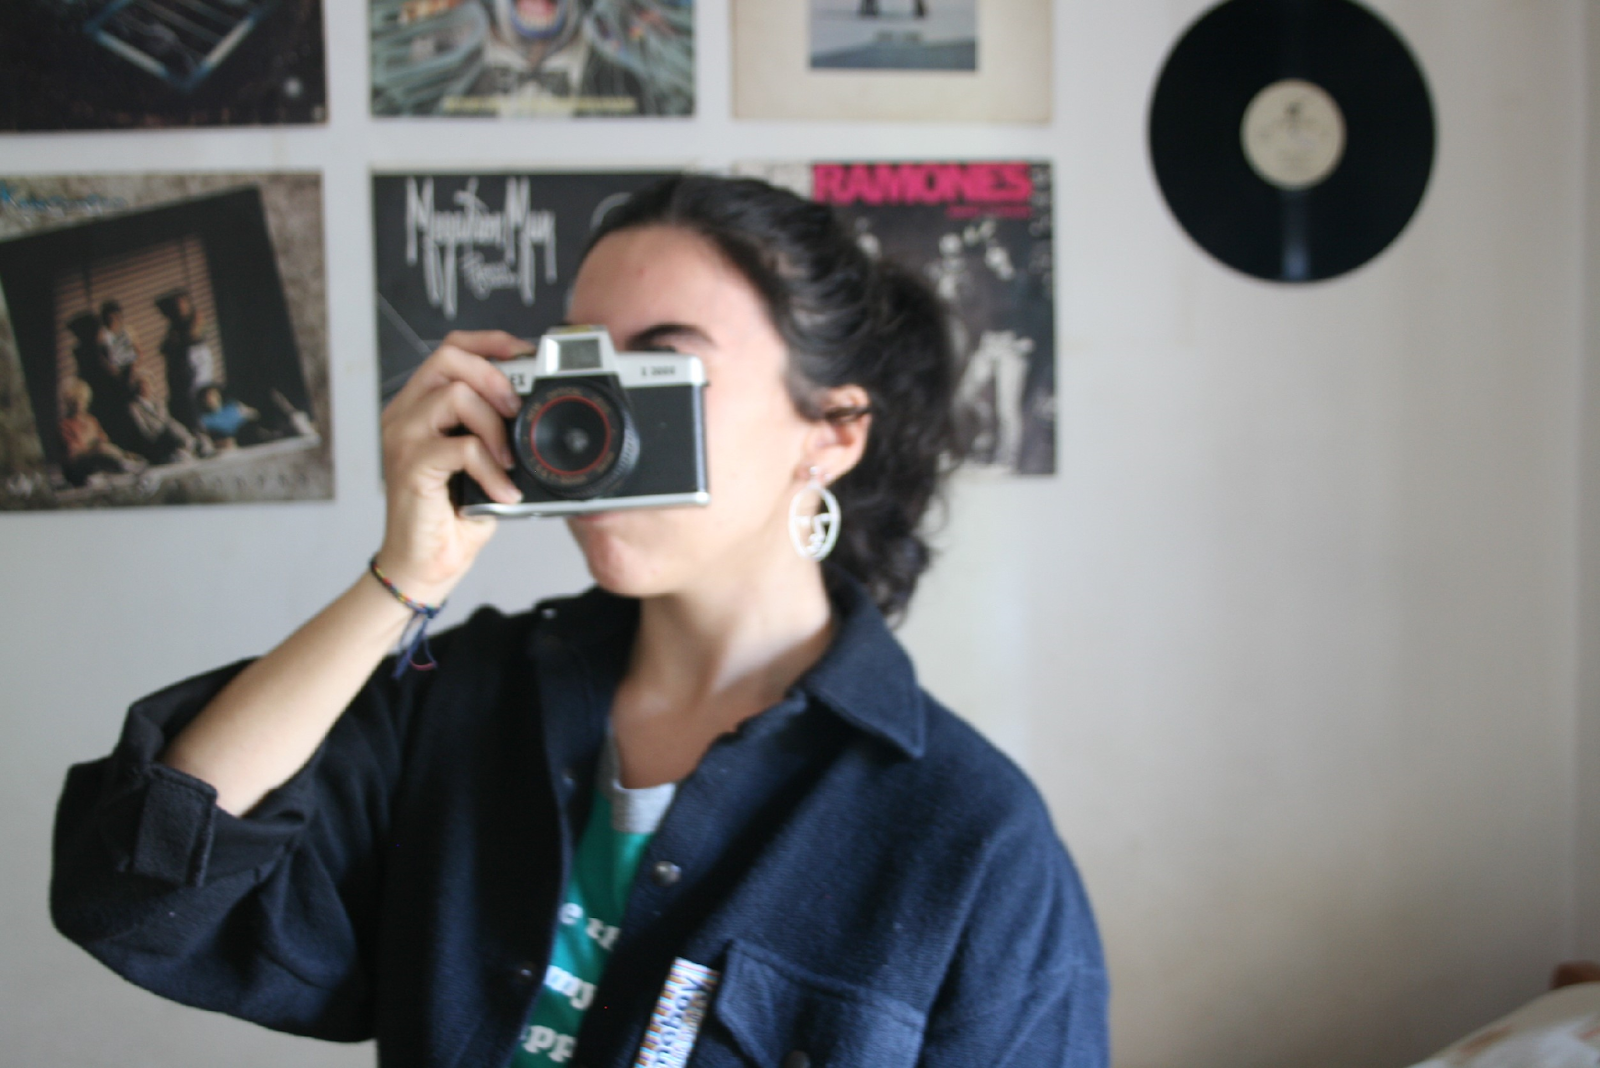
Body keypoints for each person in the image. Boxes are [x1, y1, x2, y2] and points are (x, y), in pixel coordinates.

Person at [50, 175, 1107, 1067]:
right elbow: (136, 892)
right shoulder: (465, 700)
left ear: (830, 431)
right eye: (581, 368)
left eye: (659, 369)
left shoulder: (968, 839)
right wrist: (400, 581)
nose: (597, 418)